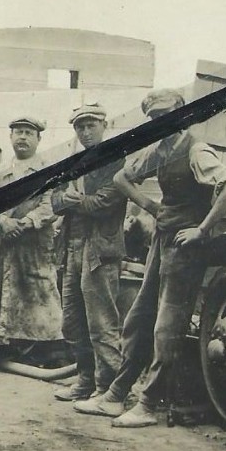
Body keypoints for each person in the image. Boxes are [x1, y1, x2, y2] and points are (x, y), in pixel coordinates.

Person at [81, 89, 226, 427]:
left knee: (166, 327)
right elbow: (121, 178)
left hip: (187, 247)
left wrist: (202, 229)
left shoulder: (197, 150)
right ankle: (116, 393)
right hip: (162, 239)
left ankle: (150, 403)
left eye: (166, 114)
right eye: (154, 118)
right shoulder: (160, 150)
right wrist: (151, 207)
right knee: (138, 317)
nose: (161, 122)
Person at [0, 116, 63, 364]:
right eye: (18, 132)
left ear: (38, 139)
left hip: (34, 247)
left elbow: (51, 205)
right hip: (2, 245)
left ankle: (43, 351)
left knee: (37, 294)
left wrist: (25, 222)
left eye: (28, 133)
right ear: (10, 137)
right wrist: (2, 221)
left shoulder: (49, 172)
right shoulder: (0, 175)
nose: (23, 138)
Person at [50, 104, 128, 403]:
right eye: (80, 127)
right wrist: (66, 200)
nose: (85, 131)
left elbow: (103, 203)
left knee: (102, 323)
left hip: (101, 250)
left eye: (91, 125)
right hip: (72, 247)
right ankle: (85, 381)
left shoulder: (115, 159)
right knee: (72, 320)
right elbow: (54, 200)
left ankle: (111, 389)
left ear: (104, 125)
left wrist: (73, 201)